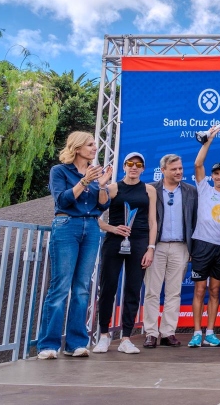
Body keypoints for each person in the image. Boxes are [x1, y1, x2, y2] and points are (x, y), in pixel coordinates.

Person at [38, 132, 112, 359]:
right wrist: (85, 181)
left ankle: (75, 343)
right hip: (67, 225)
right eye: (90, 145)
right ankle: (48, 345)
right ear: (77, 148)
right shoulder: (59, 171)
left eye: (95, 145)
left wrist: (101, 185)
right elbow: (62, 200)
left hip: (90, 228)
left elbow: (102, 206)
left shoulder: (94, 173)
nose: (94, 148)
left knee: (81, 288)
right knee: (60, 287)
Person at [93, 152, 157, 355]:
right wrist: (112, 229)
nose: (134, 167)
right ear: (124, 166)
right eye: (130, 163)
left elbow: (153, 222)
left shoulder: (149, 190)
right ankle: (103, 336)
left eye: (139, 164)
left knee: (133, 289)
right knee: (108, 288)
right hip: (114, 242)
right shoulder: (112, 188)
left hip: (139, 243)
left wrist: (151, 248)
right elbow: (95, 217)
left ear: (143, 168)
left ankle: (126, 338)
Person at [144, 154, 198, 348]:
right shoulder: (150, 189)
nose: (178, 172)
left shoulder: (191, 191)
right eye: (174, 169)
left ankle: (168, 333)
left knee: (174, 292)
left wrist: (192, 247)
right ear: (163, 170)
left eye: (180, 168)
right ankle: (150, 332)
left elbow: (195, 221)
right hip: (155, 246)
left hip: (181, 246)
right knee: (152, 291)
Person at [188, 127, 220, 348]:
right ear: (212, 176)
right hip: (202, 244)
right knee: (199, 289)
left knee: (215, 290)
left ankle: (211, 332)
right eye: (216, 174)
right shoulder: (204, 188)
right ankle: (196, 332)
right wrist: (207, 142)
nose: (219, 177)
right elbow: (197, 164)